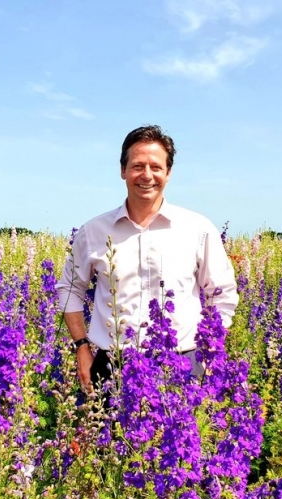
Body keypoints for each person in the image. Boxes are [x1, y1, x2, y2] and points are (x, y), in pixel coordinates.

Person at [56, 125, 238, 393]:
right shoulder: (93, 232)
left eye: (156, 167)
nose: (147, 175)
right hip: (113, 365)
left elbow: (222, 295)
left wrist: (211, 352)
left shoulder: (197, 229)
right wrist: (81, 346)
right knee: (110, 436)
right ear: (123, 171)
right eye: (138, 166)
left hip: (183, 364)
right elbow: (70, 289)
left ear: (169, 173)